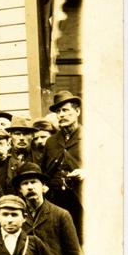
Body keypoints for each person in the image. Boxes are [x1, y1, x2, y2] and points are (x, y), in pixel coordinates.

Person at [41, 91, 83, 241]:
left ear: (77, 111)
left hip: (81, 202)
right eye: (58, 111)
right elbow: (44, 170)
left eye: (65, 110)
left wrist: (86, 172)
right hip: (56, 202)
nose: (61, 115)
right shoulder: (51, 142)